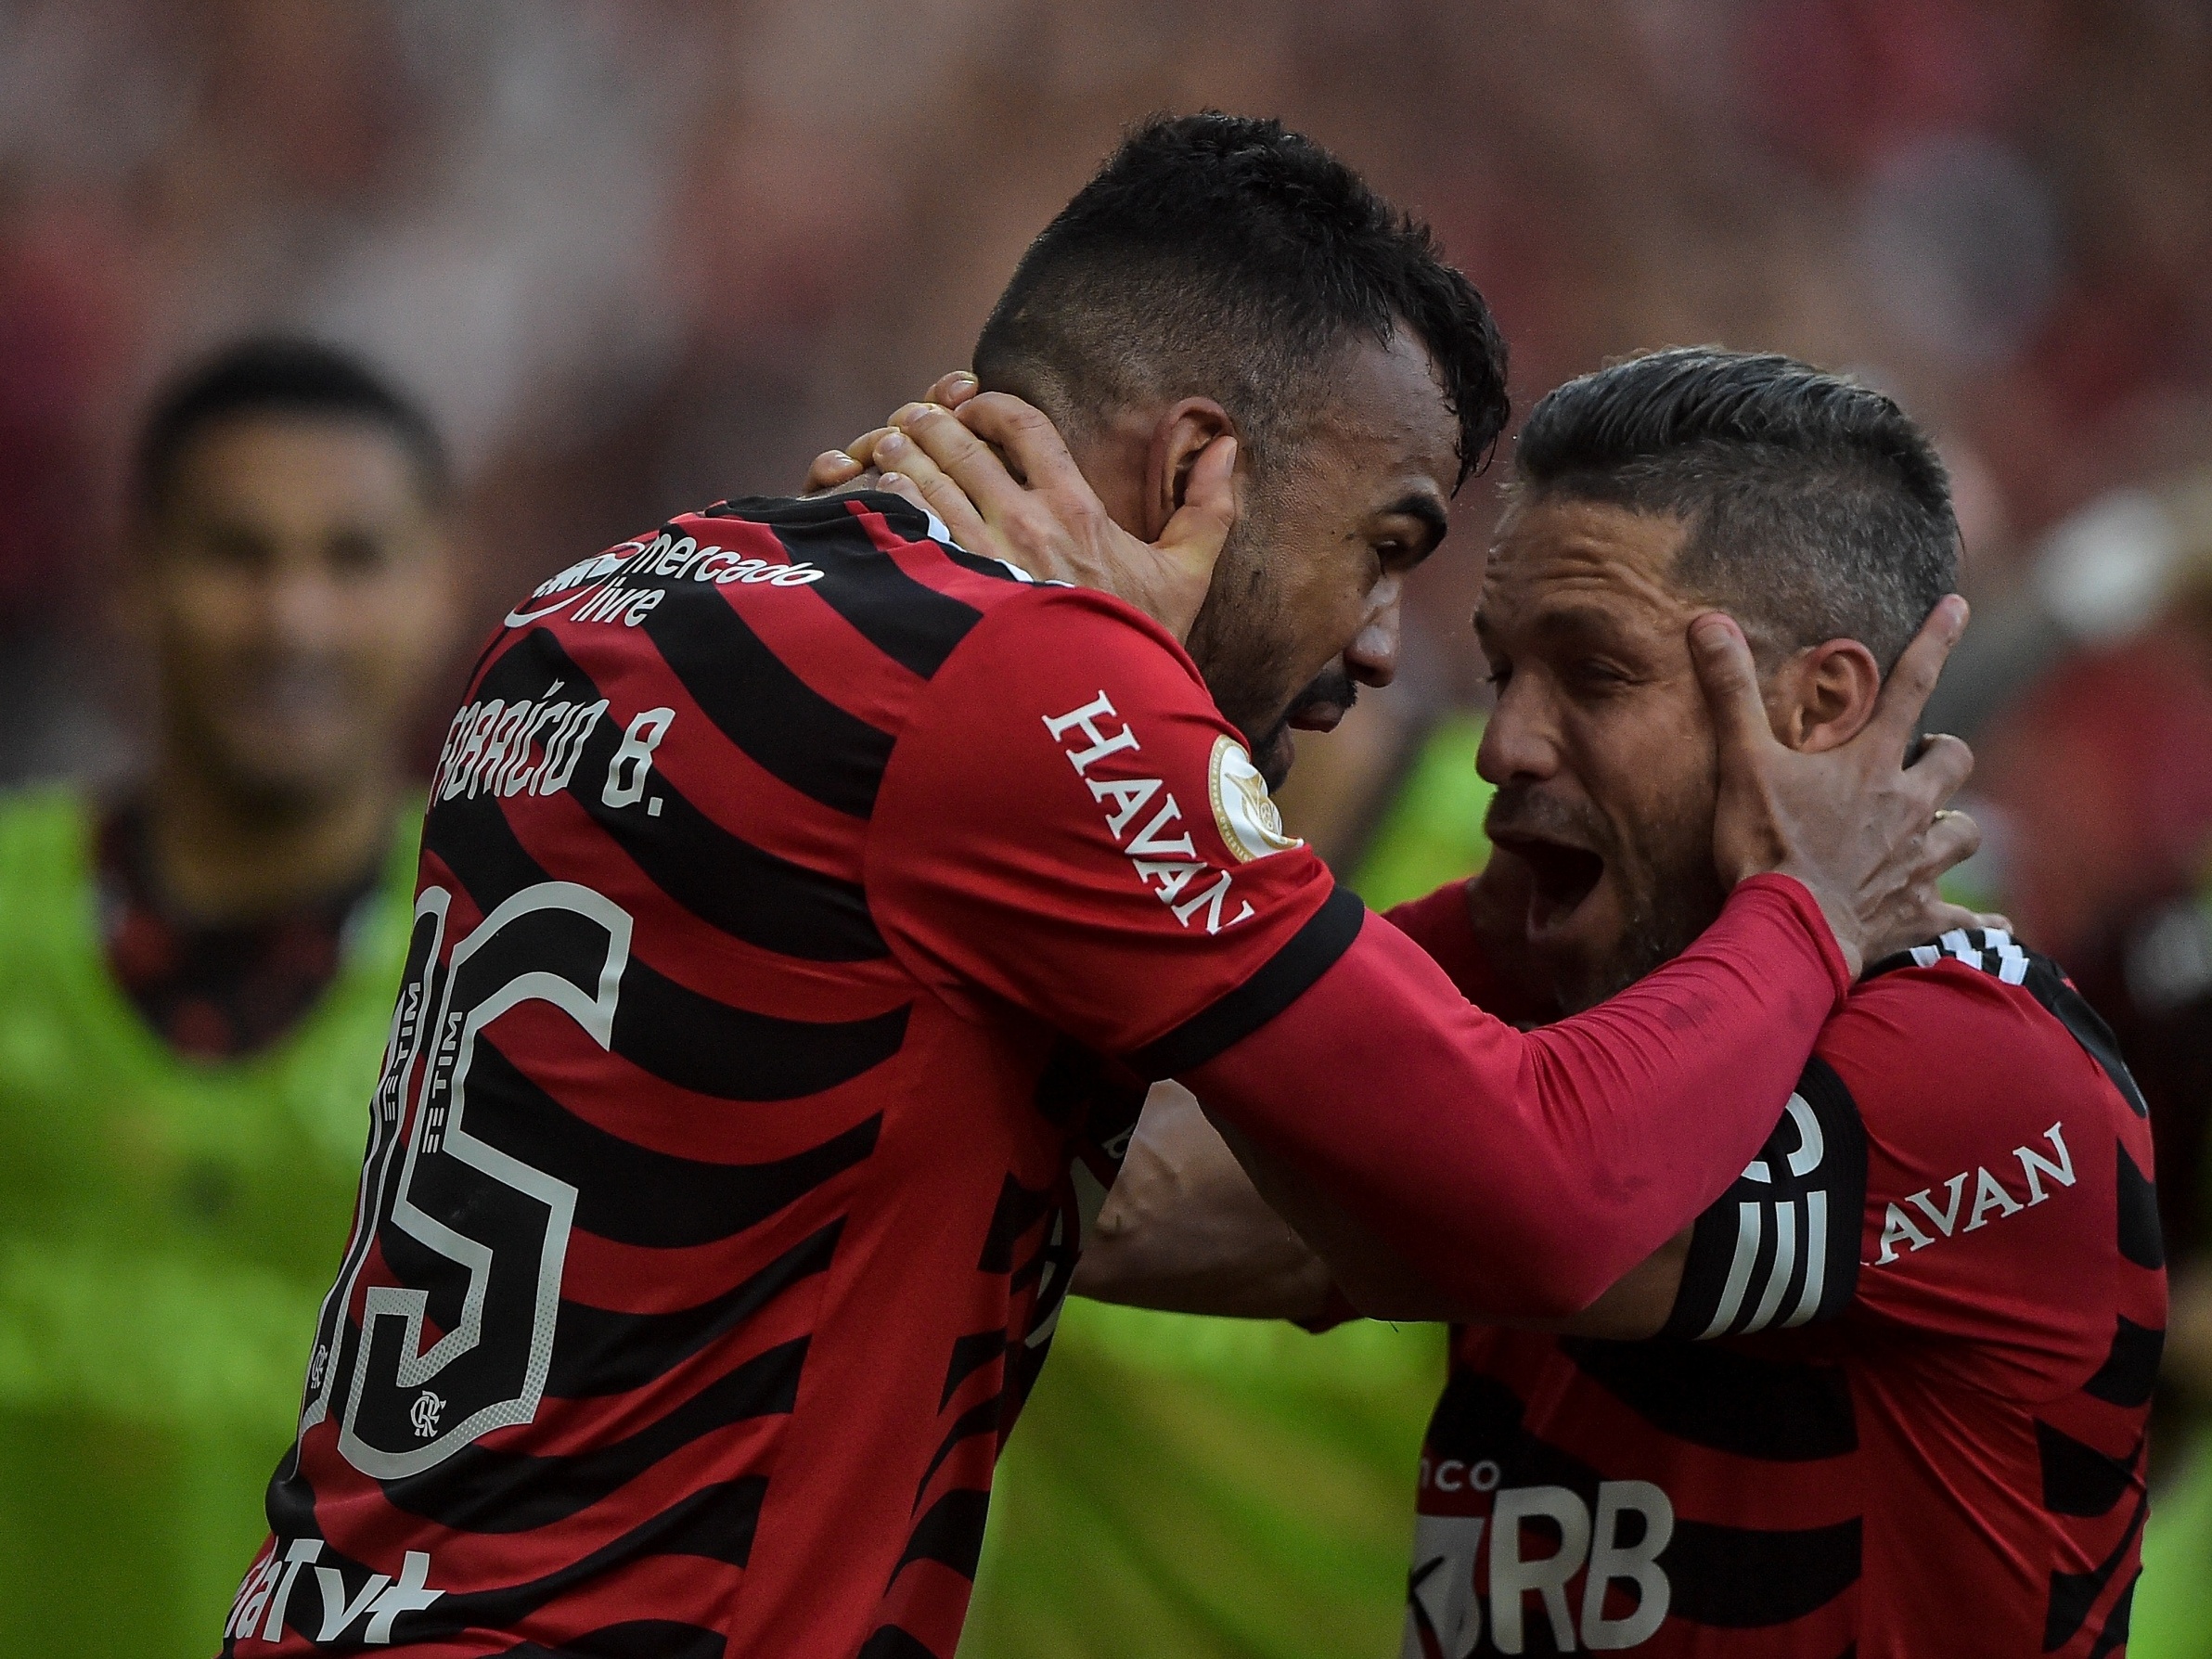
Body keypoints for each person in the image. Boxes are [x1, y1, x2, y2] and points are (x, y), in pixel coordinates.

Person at [226, 119, 1978, 1659]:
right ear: (1194, 473)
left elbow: (1019, 1147)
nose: (1381, 649)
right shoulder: (1020, 693)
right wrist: (1803, 914)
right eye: (1384, 546)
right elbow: (1531, 1195)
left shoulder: (595, 604)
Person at [1059, 349, 2163, 1655]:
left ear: (1818, 711)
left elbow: (1529, 1212)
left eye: (1593, 675)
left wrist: (1093, 708)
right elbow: (1118, 1193)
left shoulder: (1977, 1067)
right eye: (1502, 671)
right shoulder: (1555, 954)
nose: (1502, 746)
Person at [0, 338, 457, 1656]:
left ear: (440, 584)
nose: (292, 620)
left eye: (351, 560)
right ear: (131, 575)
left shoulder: (516, 980)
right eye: (236, 555)